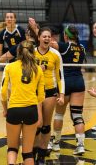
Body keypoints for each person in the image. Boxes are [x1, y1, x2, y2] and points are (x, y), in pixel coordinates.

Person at [0, 40, 45, 165]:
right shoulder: (38, 69)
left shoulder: (9, 67)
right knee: (28, 153)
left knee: (12, 148)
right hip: (31, 111)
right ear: (33, 52)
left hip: (14, 110)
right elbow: (41, 96)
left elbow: (3, 93)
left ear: (18, 52)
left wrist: (5, 109)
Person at [48, 25, 87, 155]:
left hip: (65, 83)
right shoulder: (82, 48)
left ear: (66, 35)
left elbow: (47, 41)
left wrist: (36, 30)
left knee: (59, 114)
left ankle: (56, 143)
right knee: (77, 116)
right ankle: (80, 145)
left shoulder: (64, 46)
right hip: (79, 83)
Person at [33, 27, 65, 164]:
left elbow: (60, 76)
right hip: (33, 92)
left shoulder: (56, 54)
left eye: (49, 37)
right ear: (39, 37)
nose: (47, 39)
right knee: (36, 125)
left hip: (50, 92)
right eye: (44, 36)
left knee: (45, 126)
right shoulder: (31, 53)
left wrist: (62, 95)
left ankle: (41, 156)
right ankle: (31, 154)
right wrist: (37, 70)